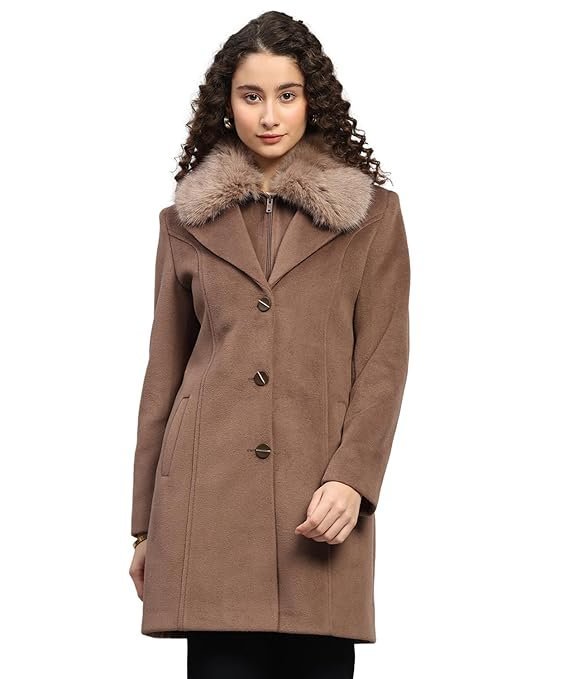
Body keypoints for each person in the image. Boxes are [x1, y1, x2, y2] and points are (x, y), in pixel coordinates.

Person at [128, 11, 410, 678]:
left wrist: (353, 477)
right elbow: (164, 375)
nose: (269, 115)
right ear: (226, 104)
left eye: (287, 94)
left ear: (313, 100)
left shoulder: (373, 218)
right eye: (250, 95)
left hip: (319, 506)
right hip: (205, 507)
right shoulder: (184, 223)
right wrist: (143, 525)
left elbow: (383, 361)